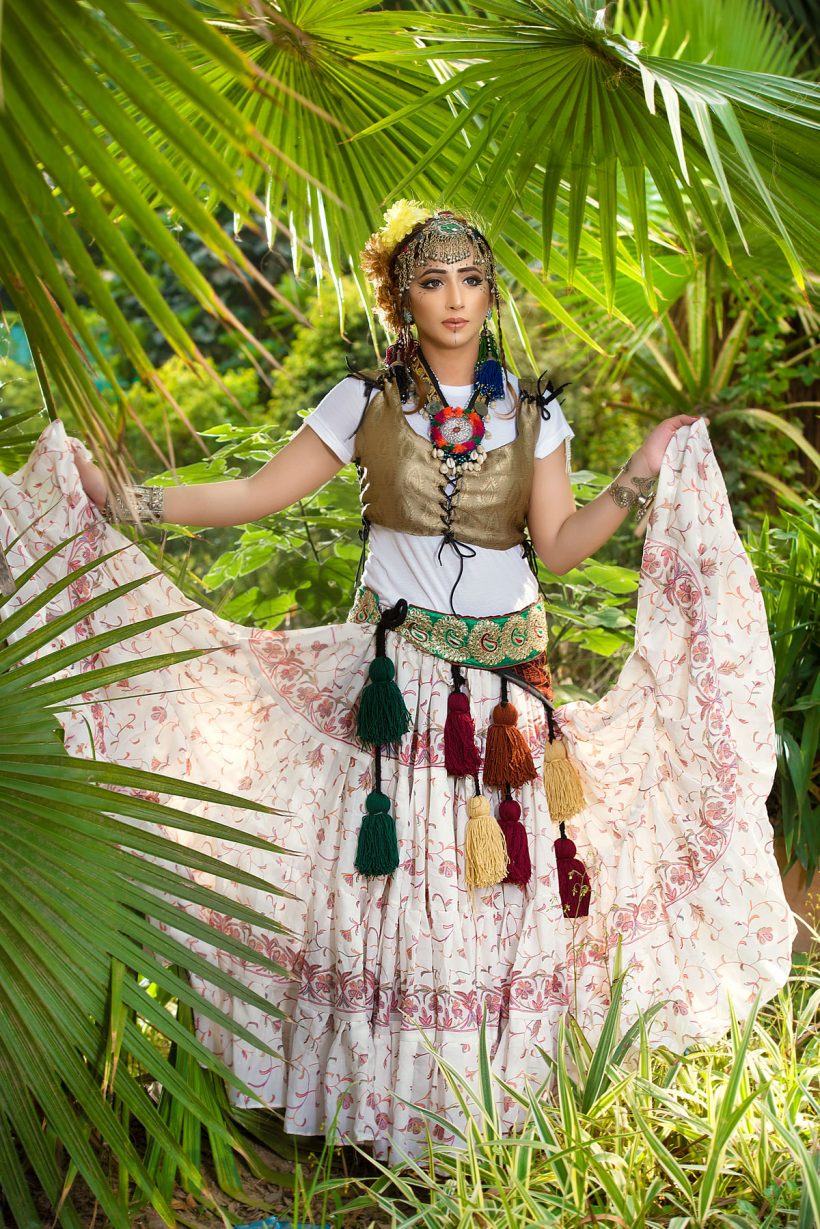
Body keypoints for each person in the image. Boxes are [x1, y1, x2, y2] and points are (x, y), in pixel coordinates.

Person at [2, 200, 796, 1161]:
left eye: (472, 279)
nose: (455, 298)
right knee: (393, 899)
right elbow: (256, 493)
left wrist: (638, 471)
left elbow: (558, 547)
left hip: (507, 696)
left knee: (495, 898)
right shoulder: (364, 401)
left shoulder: (532, 413)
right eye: (432, 280)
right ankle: (385, 1120)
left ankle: (488, 1117)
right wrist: (125, 500)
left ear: (490, 294)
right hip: (400, 686)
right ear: (402, 297)